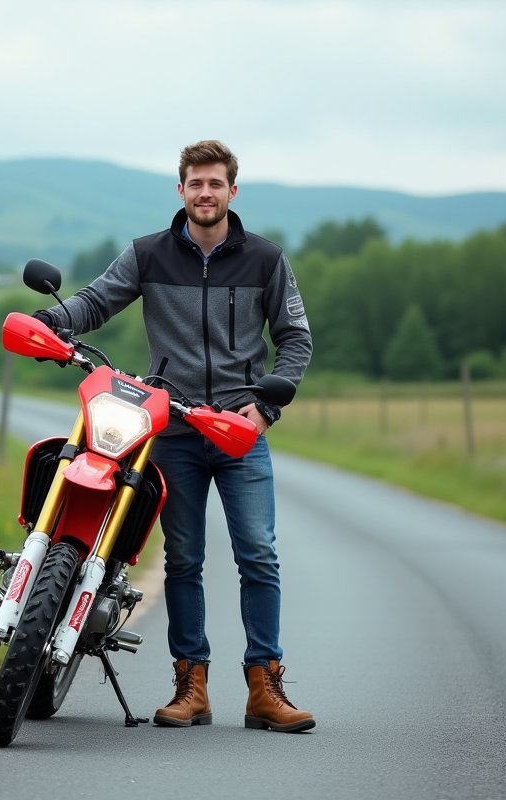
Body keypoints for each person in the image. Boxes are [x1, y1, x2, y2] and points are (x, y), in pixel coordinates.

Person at [33, 140, 315, 733]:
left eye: (216, 184)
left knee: (258, 555)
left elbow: (295, 339)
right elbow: (94, 301)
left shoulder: (266, 260)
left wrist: (264, 409)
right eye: (195, 184)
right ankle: (192, 687)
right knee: (184, 558)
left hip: (240, 432)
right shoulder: (148, 254)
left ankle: (266, 688)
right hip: (173, 429)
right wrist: (50, 323)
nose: (205, 194)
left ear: (232, 191)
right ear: (180, 190)